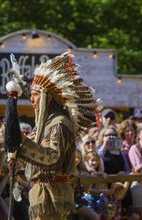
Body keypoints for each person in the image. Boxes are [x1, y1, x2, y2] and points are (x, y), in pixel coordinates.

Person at [14, 52, 99, 219]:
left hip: (53, 196)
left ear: (48, 97)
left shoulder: (59, 123)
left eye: (36, 94)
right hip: (43, 195)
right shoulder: (46, 124)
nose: (31, 99)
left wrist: (23, 142)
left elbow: (51, 158)